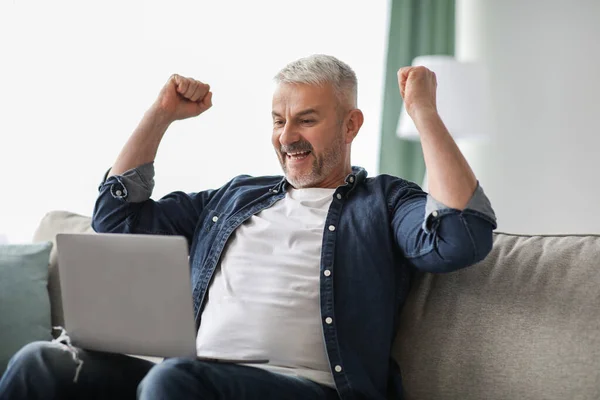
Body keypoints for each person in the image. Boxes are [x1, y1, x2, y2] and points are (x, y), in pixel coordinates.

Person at [0, 54, 496, 400]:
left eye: (305, 120)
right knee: (39, 365)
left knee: (174, 384)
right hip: (188, 378)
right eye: (278, 120)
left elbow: (461, 236)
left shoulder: (384, 202)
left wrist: (424, 112)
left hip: (305, 388)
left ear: (351, 126)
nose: (287, 137)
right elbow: (117, 222)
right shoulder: (238, 196)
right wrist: (160, 116)